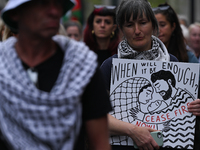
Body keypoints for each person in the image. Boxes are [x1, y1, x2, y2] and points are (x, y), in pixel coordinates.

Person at [0, 0, 112, 150]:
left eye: (58, 4)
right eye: (42, 4)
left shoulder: (82, 65)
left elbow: (100, 144)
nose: (54, 12)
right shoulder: (2, 65)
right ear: (15, 13)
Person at [100, 0, 178, 149]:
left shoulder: (172, 62)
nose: (137, 30)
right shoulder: (109, 66)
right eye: (129, 25)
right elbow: (96, 117)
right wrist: (133, 131)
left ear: (153, 25)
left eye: (143, 22)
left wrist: (192, 107)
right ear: (121, 29)